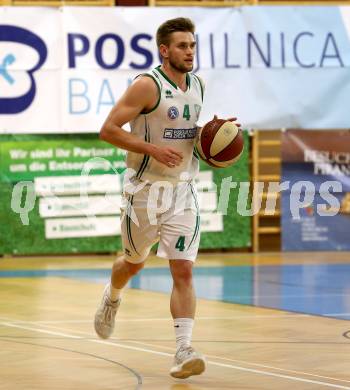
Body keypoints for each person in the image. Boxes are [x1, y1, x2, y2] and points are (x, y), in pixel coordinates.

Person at [94, 17, 238, 379]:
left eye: (192, 45)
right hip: (144, 189)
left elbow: (189, 133)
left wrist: (214, 135)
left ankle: (183, 349)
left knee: (183, 269)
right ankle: (112, 297)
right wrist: (151, 149)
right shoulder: (146, 86)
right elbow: (108, 130)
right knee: (133, 263)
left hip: (182, 190)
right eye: (182, 46)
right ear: (164, 50)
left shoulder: (198, 85)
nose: (189, 52)